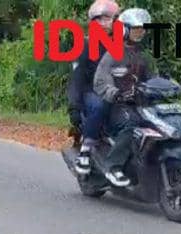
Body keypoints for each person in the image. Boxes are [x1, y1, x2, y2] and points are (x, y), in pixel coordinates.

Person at [94, 7, 155, 187]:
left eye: (142, 29)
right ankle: (113, 167)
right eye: (135, 29)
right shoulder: (113, 53)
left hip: (140, 105)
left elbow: (153, 79)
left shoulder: (144, 56)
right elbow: (100, 81)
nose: (139, 33)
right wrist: (116, 94)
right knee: (132, 126)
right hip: (118, 106)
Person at [69, 0, 121, 175]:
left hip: (115, 91)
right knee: (100, 105)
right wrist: (74, 107)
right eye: (101, 20)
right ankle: (85, 151)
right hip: (91, 92)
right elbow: (76, 79)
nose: (105, 24)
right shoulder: (84, 45)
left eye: (109, 19)